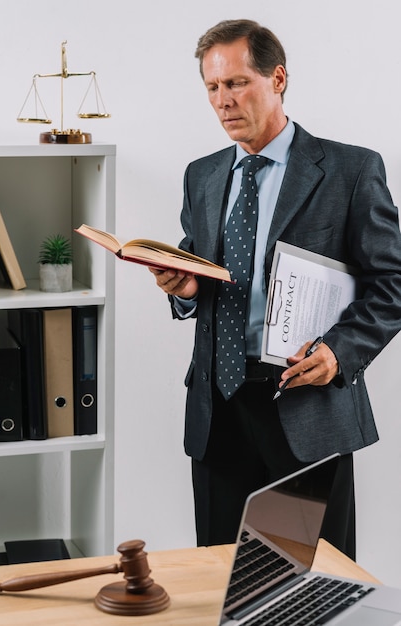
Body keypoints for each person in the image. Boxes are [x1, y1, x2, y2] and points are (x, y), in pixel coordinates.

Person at [149, 19, 401, 560]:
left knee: (307, 590)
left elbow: (391, 283)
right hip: (219, 412)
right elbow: (199, 276)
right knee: (222, 585)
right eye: (213, 88)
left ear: (278, 78)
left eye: (237, 83)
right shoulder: (203, 175)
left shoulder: (350, 170)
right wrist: (185, 288)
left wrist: (340, 352)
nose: (223, 101)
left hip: (305, 403)